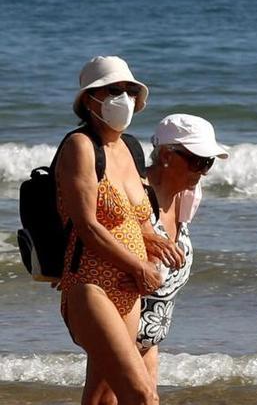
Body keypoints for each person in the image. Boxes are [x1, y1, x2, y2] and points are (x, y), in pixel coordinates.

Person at [55, 56, 162, 405]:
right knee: (143, 395)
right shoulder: (80, 146)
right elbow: (88, 226)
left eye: (130, 91)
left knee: (104, 399)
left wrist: (152, 241)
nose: (124, 99)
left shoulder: (131, 147)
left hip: (128, 291)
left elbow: (137, 218)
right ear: (90, 99)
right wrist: (138, 265)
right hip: (89, 286)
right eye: (113, 91)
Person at [137, 114, 228, 392]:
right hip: (119, 329)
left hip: (150, 338)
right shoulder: (136, 194)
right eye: (196, 160)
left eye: (208, 162)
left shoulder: (187, 197)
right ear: (165, 154)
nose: (202, 171)